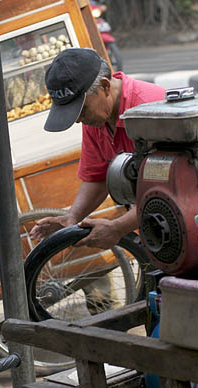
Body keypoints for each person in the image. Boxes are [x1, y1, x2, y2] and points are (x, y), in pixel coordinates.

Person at [29, 48, 165, 249]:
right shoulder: (96, 118)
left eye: (81, 110)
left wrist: (117, 227)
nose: (78, 120)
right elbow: (97, 176)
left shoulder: (149, 109)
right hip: (155, 223)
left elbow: (166, 188)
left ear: (105, 86)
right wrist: (72, 217)